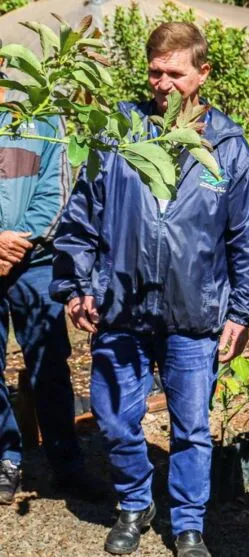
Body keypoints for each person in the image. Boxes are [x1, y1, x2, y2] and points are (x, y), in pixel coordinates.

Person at [50, 23, 249, 557]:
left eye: (175, 72)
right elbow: (81, 219)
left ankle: (189, 522)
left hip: (194, 314)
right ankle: (134, 502)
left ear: (202, 73)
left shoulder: (229, 147)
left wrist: (241, 310)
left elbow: (246, 236)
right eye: (155, 72)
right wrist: (77, 284)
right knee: (113, 416)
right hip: (121, 306)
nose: (163, 82)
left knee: (191, 427)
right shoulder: (118, 134)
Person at [0, 44, 102, 506]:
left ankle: (66, 463)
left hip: (34, 262)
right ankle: (7, 458)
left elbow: (57, 192)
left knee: (49, 366)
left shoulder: (41, 116)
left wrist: (13, 241)